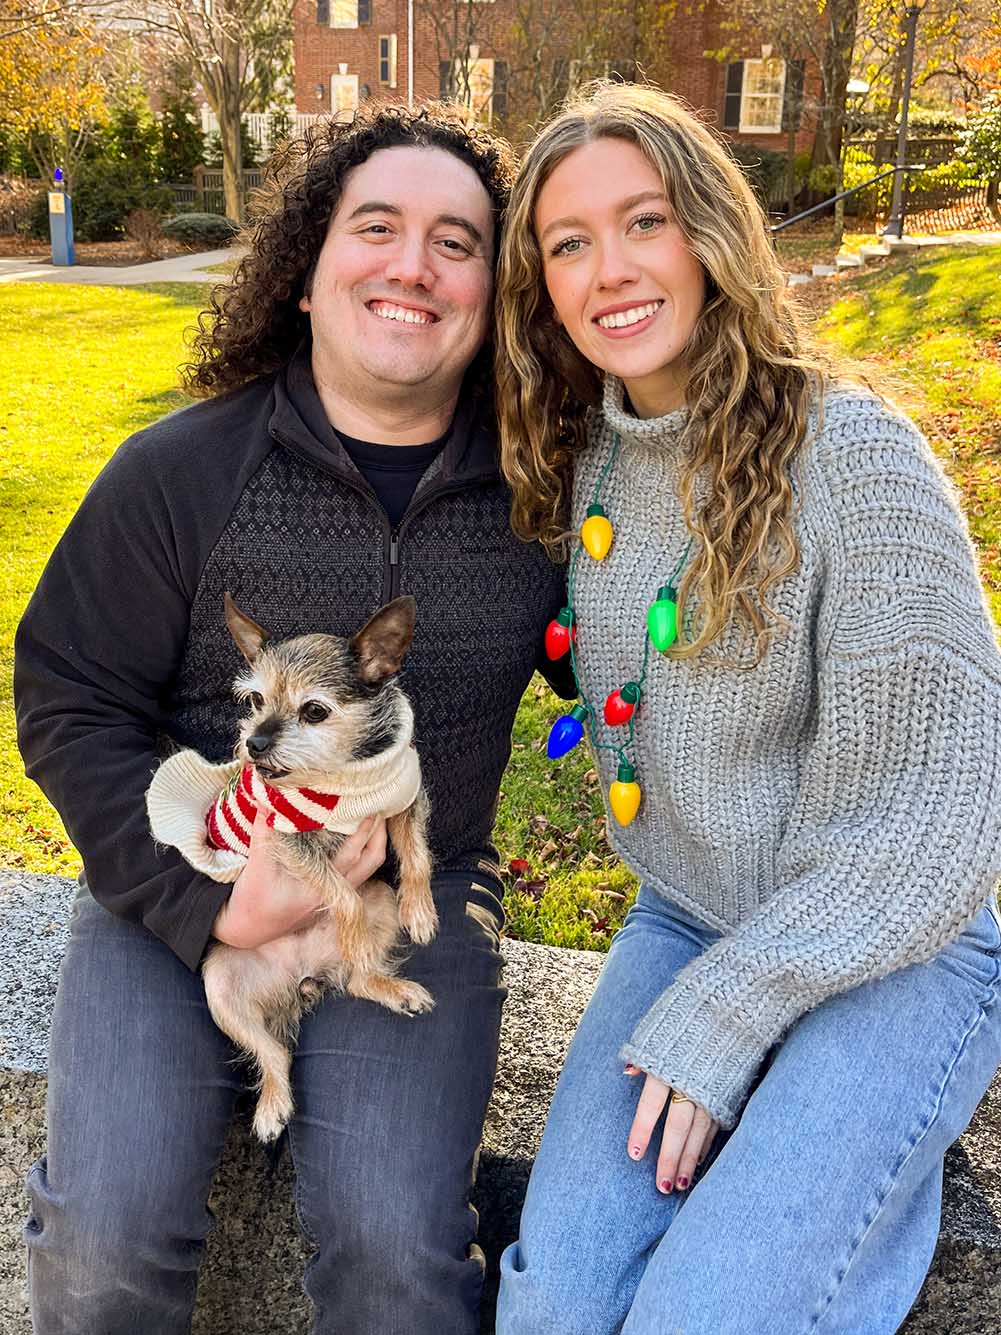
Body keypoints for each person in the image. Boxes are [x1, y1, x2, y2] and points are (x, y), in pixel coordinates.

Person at [14, 103, 569, 1334]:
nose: (412, 265)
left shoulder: (549, 497)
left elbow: (657, 642)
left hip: (405, 902)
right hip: (186, 888)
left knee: (391, 1253)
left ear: (494, 292)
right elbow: (67, 695)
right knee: (104, 1241)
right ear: (307, 274)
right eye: (376, 226)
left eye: (456, 241)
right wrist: (207, 902)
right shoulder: (180, 475)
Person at [492, 82, 1001, 1335]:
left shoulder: (853, 458)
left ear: (709, 234)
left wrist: (731, 1013)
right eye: (567, 242)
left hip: (900, 944)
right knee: (553, 1302)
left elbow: (940, 817)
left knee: (706, 1316)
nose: (609, 268)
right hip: (688, 916)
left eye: (643, 221)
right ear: (540, 285)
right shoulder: (589, 458)